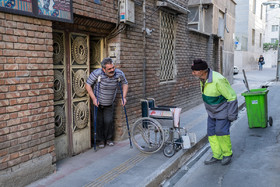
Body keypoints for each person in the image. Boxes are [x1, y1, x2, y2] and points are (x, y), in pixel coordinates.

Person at [191, 59, 238, 165]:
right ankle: (217, 155)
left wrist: (231, 115)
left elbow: (232, 97)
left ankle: (227, 154)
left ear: (203, 71)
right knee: (211, 133)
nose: (193, 73)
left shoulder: (218, 79)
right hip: (212, 113)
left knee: (221, 132)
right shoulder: (202, 79)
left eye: (195, 71)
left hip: (223, 112)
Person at [86, 58, 128, 148]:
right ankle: (100, 140)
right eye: (109, 69)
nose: (112, 70)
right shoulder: (97, 73)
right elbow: (88, 84)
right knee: (99, 122)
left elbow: (125, 83)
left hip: (109, 102)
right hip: (97, 102)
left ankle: (108, 139)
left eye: (113, 67)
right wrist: (93, 98)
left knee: (108, 121)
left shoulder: (119, 73)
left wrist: (124, 97)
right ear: (103, 69)